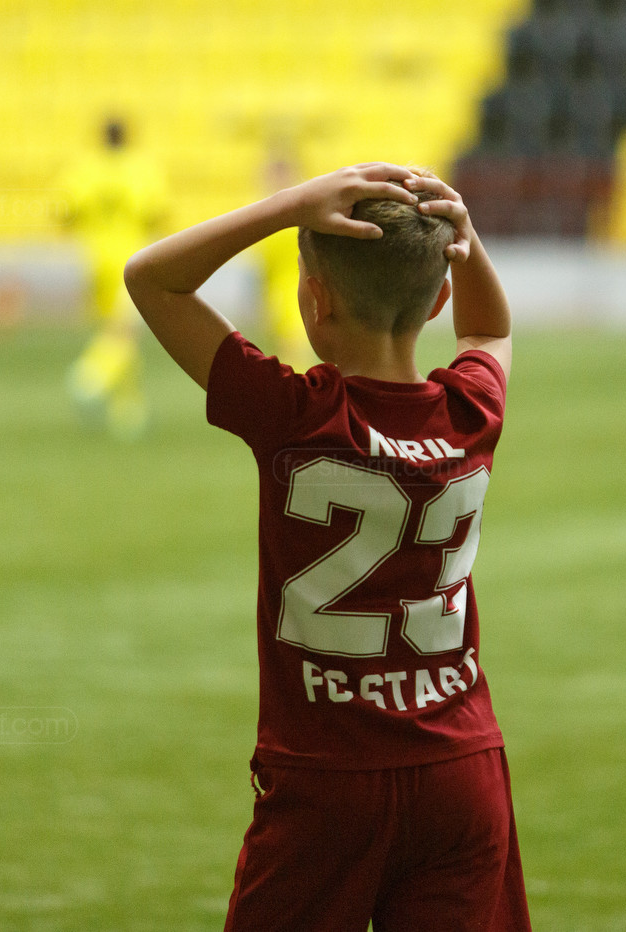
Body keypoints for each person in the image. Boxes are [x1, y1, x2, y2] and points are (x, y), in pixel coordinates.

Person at [122, 163, 529, 931]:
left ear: (314, 299)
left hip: (327, 782)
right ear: (439, 299)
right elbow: (490, 332)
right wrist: (464, 238)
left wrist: (288, 207)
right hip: (461, 771)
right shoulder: (470, 411)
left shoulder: (292, 413)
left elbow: (151, 279)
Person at [60, 117, 168, 439]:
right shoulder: (141, 169)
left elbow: (65, 211)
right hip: (130, 261)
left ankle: (127, 410)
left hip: (95, 261)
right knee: (124, 333)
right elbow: (156, 213)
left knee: (116, 330)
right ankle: (90, 376)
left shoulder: (85, 169)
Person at [255, 148, 314, 367]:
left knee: (294, 351)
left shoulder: (303, 214)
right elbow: (265, 269)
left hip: (298, 290)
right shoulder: (264, 218)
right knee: (283, 354)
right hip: (276, 295)